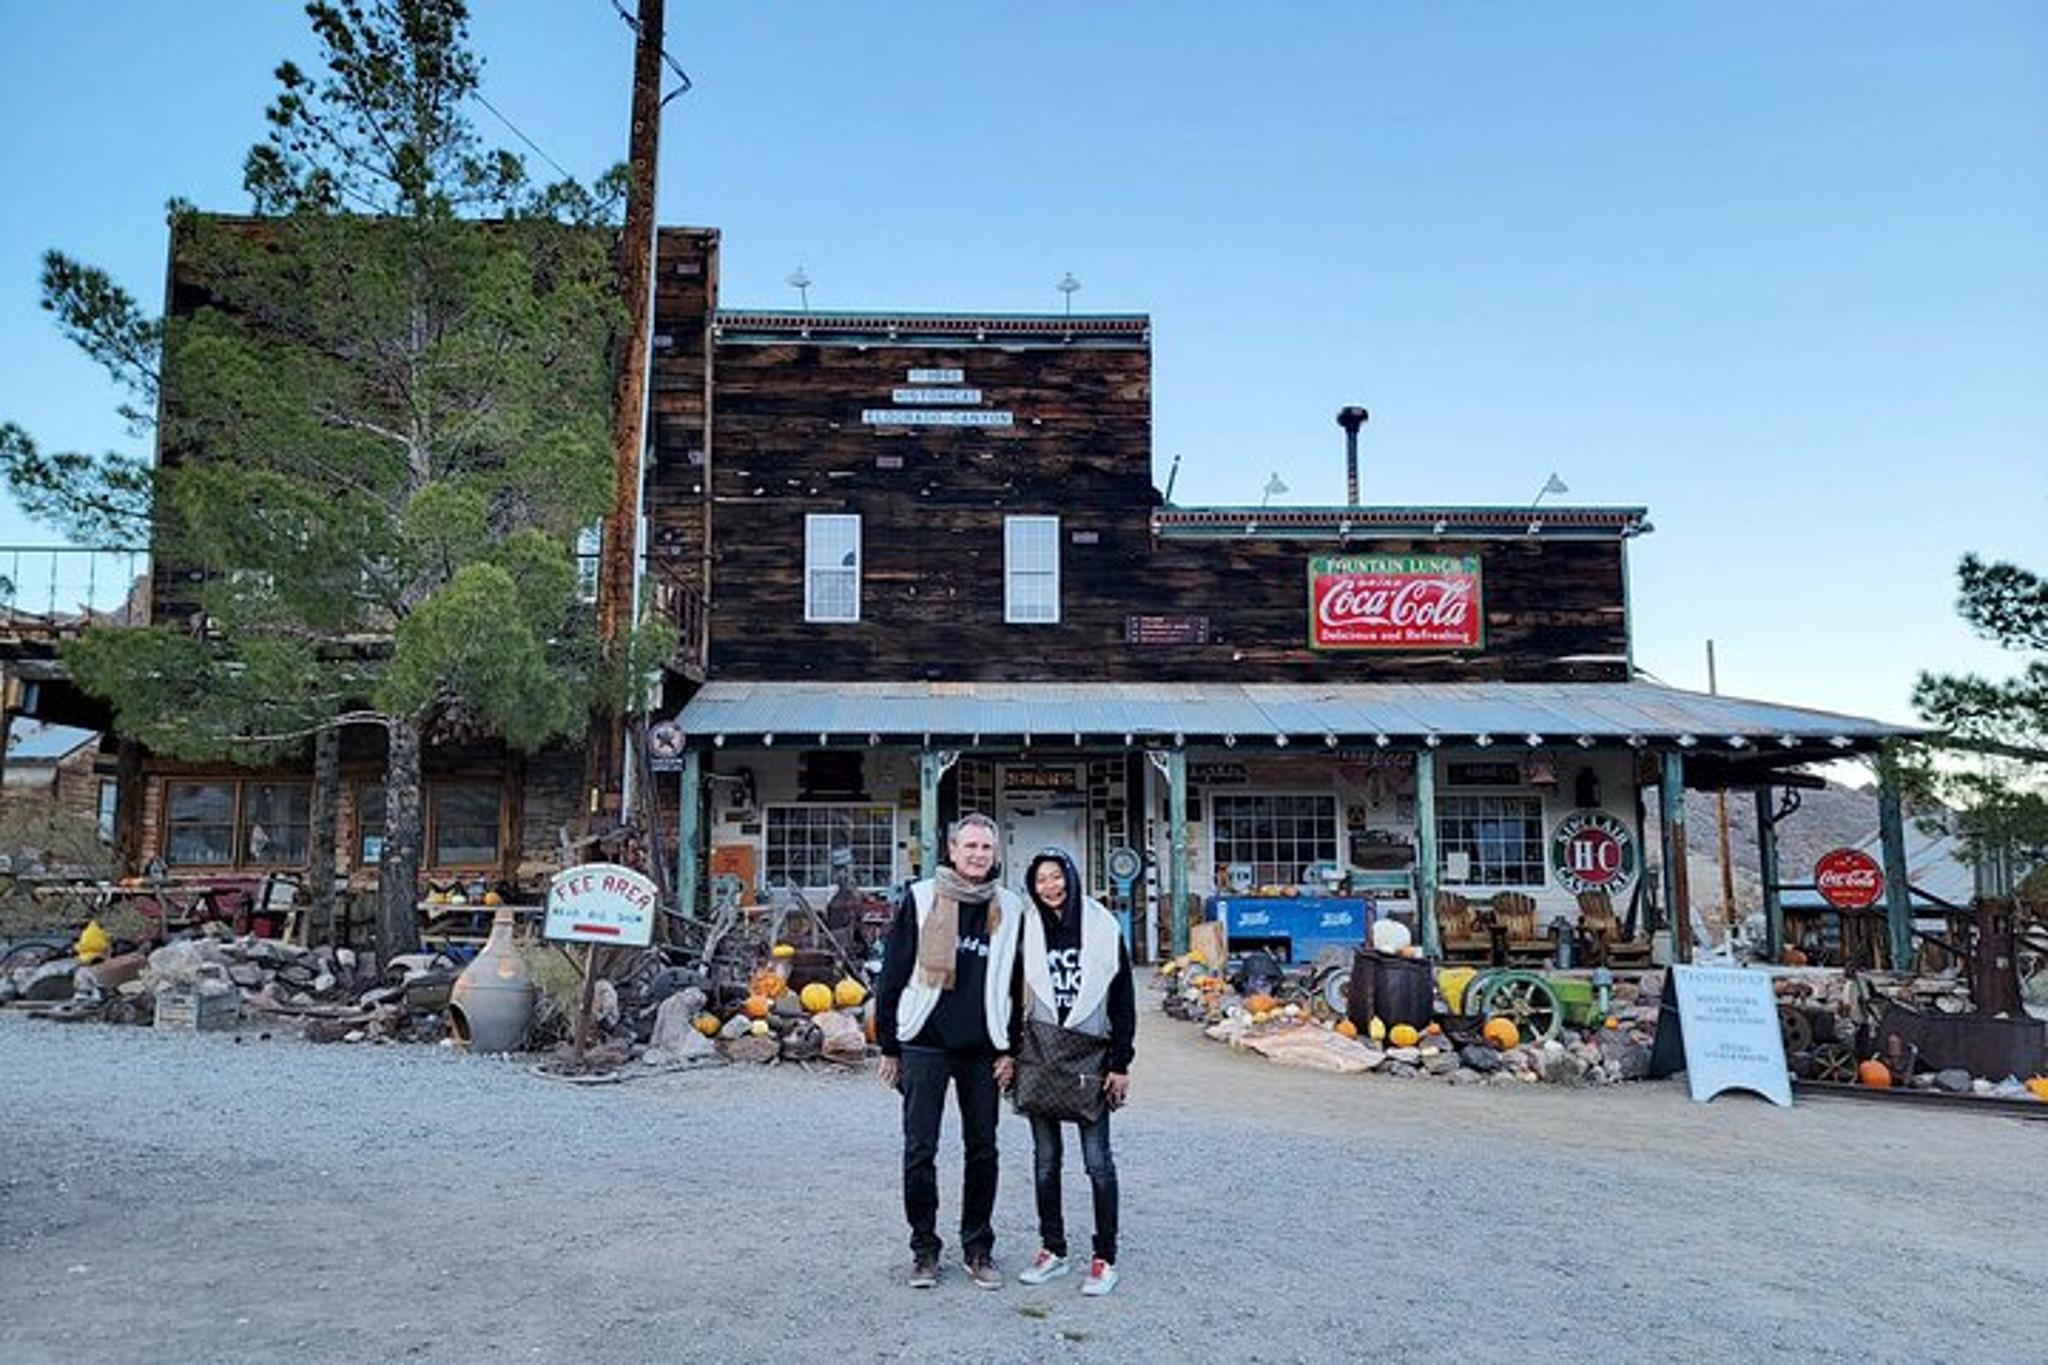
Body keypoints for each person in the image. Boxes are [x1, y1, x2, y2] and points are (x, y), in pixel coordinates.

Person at [873, 812, 1025, 1290]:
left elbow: (1020, 986)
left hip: (983, 1048)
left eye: (986, 847)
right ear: (952, 852)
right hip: (924, 1043)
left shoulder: (1010, 906)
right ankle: (924, 1249)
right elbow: (893, 975)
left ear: (995, 854)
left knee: (983, 1150)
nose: (979, 855)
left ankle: (978, 1246)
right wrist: (889, 1048)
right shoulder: (921, 899)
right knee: (920, 1149)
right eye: (970, 847)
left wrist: (1012, 1049)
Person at [1006, 847, 1135, 1297]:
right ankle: (1053, 1249)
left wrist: (1121, 1063)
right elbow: (1012, 992)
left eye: (1056, 877)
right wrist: (1006, 1051)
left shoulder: (1102, 928)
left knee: (1098, 1163)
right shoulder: (1028, 928)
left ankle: (1105, 1258)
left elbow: (1122, 997)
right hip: (1040, 1051)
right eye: (1040, 880)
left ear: (1072, 877)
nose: (1050, 887)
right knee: (1045, 1162)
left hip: (1091, 1053)